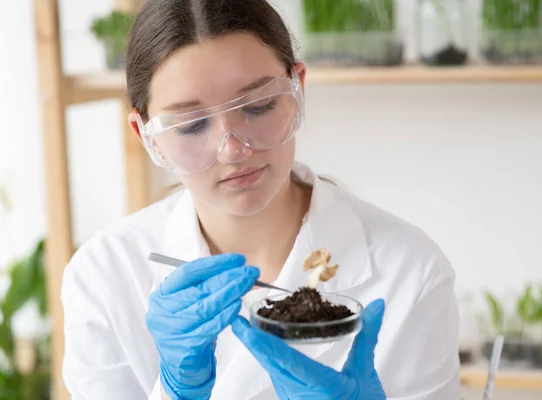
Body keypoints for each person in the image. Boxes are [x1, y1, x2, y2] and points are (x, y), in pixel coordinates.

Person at [61, 0, 461, 399]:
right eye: (191, 125)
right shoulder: (103, 276)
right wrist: (175, 391)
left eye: (258, 106)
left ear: (297, 89)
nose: (233, 150)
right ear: (145, 135)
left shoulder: (411, 269)